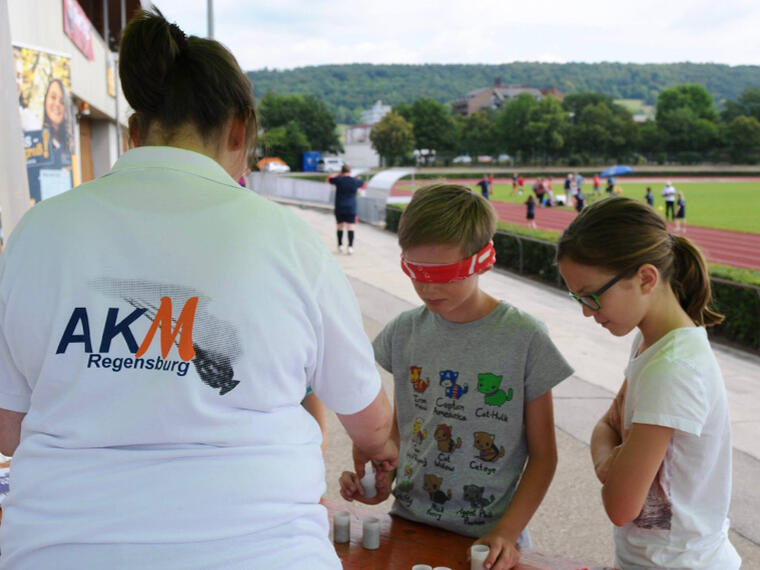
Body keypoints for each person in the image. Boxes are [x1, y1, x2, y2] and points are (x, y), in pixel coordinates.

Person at [0, 10, 398, 569]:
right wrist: (377, 449)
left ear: (136, 132)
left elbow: (10, 429)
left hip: (58, 551)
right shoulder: (286, 239)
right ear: (239, 130)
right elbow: (371, 420)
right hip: (264, 551)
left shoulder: (37, 234)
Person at [339, 184, 573, 570]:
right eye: (415, 271)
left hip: (490, 540)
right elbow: (405, 429)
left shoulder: (524, 338)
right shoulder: (404, 331)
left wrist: (507, 534)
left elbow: (545, 456)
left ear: (484, 259)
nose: (428, 287)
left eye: (445, 274)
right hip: (409, 522)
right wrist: (381, 476)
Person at [556, 197, 740, 570]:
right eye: (577, 297)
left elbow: (620, 505)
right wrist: (612, 463)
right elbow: (607, 426)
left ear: (645, 278)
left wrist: (612, 466)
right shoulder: (651, 342)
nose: (586, 312)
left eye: (592, 295)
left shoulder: (672, 369)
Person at [329, 164, 363, 254]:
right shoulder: (355, 181)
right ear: (350, 172)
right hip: (351, 207)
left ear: (342, 171)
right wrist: (357, 178)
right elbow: (361, 182)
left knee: (340, 226)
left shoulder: (338, 180)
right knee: (351, 227)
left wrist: (338, 174)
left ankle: (340, 245)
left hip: (340, 206)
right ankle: (350, 247)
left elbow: (330, 179)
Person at [42, 78, 73, 168]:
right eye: (53, 97)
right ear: (45, 99)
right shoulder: (37, 140)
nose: (57, 104)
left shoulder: (68, 145)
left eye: (62, 101)